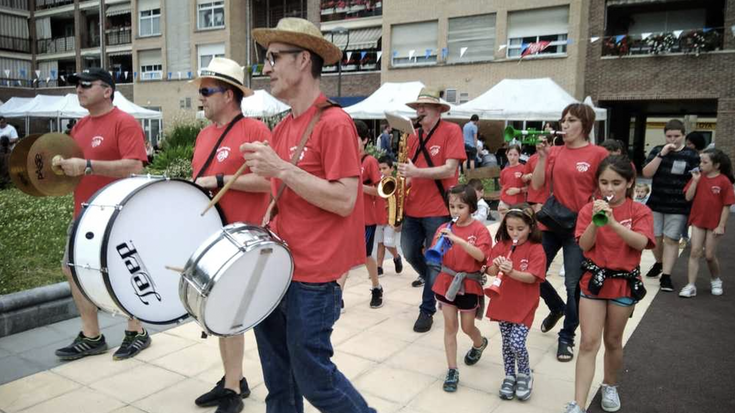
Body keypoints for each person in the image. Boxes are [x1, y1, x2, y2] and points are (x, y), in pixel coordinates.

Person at [242, 17, 375, 413]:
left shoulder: (335, 123)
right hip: (278, 266)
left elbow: (345, 199)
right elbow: (284, 198)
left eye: (273, 58)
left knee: (315, 380)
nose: (266, 68)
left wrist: (281, 169)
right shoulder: (283, 127)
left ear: (302, 60)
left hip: (314, 277)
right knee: (279, 381)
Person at [189, 57, 271, 413]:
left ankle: (233, 389)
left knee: (232, 316)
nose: (201, 97)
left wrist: (218, 180)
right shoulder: (203, 136)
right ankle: (233, 379)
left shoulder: (254, 130)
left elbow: (271, 181)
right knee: (221, 315)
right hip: (215, 242)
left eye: (206, 91)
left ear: (229, 95)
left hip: (246, 242)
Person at [52, 68, 150, 361]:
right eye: (77, 86)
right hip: (83, 212)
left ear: (107, 90)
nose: (78, 90)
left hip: (117, 213)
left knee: (124, 270)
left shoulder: (125, 122)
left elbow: (136, 166)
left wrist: (88, 165)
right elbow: (77, 169)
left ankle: (137, 331)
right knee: (72, 268)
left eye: (85, 85)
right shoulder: (79, 127)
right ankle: (91, 335)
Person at [562, 155, 654, 413]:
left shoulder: (640, 211)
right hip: (594, 280)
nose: (609, 189)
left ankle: (609, 385)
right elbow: (583, 245)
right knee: (588, 342)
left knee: (613, 340)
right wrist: (596, 218)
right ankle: (578, 404)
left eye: (616, 182)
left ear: (629, 182)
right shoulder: (588, 209)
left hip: (624, 283)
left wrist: (612, 222)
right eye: (604, 182)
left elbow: (641, 243)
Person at [531, 103, 609, 362]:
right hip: (552, 222)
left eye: (572, 120)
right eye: (563, 119)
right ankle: (557, 307)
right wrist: (542, 157)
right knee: (533, 272)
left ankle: (567, 336)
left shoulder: (598, 153)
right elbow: (537, 183)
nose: (565, 125)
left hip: (581, 226)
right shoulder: (554, 151)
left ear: (585, 124)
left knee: (573, 283)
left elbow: (606, 189)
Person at [398, 87, 466, 333]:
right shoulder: (413, 136)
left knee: (434, 259)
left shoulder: (452, 131)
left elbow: (450, 169)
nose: (420, 110)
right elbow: (409, 173)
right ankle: (434, 281)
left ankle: (426, 310)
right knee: (408, 251)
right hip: (413, 206)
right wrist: (396, 188)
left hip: (439, 206)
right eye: (417, 107)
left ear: (439, 110)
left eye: (425, 106)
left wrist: (416, 173)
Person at [430, 185, 491, 392]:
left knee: (467, 327)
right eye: (452, 206)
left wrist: (458, 240)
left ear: (472, 208)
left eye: (461, 207)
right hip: (446, 281)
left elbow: (481, 257)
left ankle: (479, 342)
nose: (455, 211)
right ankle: (452, 370)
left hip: (469, 283)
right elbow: (433, 252)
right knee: (450, 327)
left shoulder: (480, 230)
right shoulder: (443, 228)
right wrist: (439, 243)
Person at [486, 204, 546, 402]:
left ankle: (525, 374)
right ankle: (510, 375)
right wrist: (495, 266)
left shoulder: (536, 249)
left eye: (520, 229)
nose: (515, 233)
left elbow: (532, 277)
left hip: (524, 305)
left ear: (531, 227)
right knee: (506, 343)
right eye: (510, 228)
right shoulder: (501, 245)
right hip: (503, 301)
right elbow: (490, 271)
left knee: (516, 343)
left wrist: (511, 271)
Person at [641, 119, 699, 292]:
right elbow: (646, 173)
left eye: (676, 136)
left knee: (672, 239)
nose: (672, 139)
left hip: (679, 205)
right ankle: (659, 263)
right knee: (655, 238)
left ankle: (666, 276)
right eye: (669, 136)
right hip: (657, 202)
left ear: (683, 135)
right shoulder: (658, 150)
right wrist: (661, 155)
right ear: (664, 136)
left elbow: (696, 178)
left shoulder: (691, 155)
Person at [679, 149, 735, 298]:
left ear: (716, 165)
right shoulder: (698, 177)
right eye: (700, 161)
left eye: (705, 162)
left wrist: (721, 225)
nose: (700, 165)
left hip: (715, 223)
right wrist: (695, 181)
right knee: (695, 251)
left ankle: (716, 279)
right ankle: (691, 285)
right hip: (698, 220)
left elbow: (727, 205)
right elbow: (688, 197)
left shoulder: (724, 181)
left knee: (710, 255)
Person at [356, 119, 384, 308]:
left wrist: (358, 187)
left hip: (366, 218)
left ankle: (376, 287)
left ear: (365, 140)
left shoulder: (371, 161)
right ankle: (337, 296)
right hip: (347, 216)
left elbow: (379, 191)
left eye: (355, 138)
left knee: (365, 255)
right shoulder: (344, 158)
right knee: (345, 256)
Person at [375, 155, 404, 276]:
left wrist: (399, 221)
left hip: (390, 219)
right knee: (380, 243)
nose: (382, 171)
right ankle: (379, 267)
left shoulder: (396, 182)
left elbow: (400, 203)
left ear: (392, 168)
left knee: (388, 243)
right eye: (380, 169)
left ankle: (396, 257)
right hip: (378, 217)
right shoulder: (377, 182)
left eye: (384, 168)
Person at [499, 145, 526, 219]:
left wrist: (518, 190)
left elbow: (529, 187)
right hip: (505, 201)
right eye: (510, 154)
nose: (512, 157)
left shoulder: (523, 168)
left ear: (519, 155)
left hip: (518, 202)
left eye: (515, 154)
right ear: (506, 154)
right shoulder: (504, 171)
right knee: (503, 223)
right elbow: (503, 185)